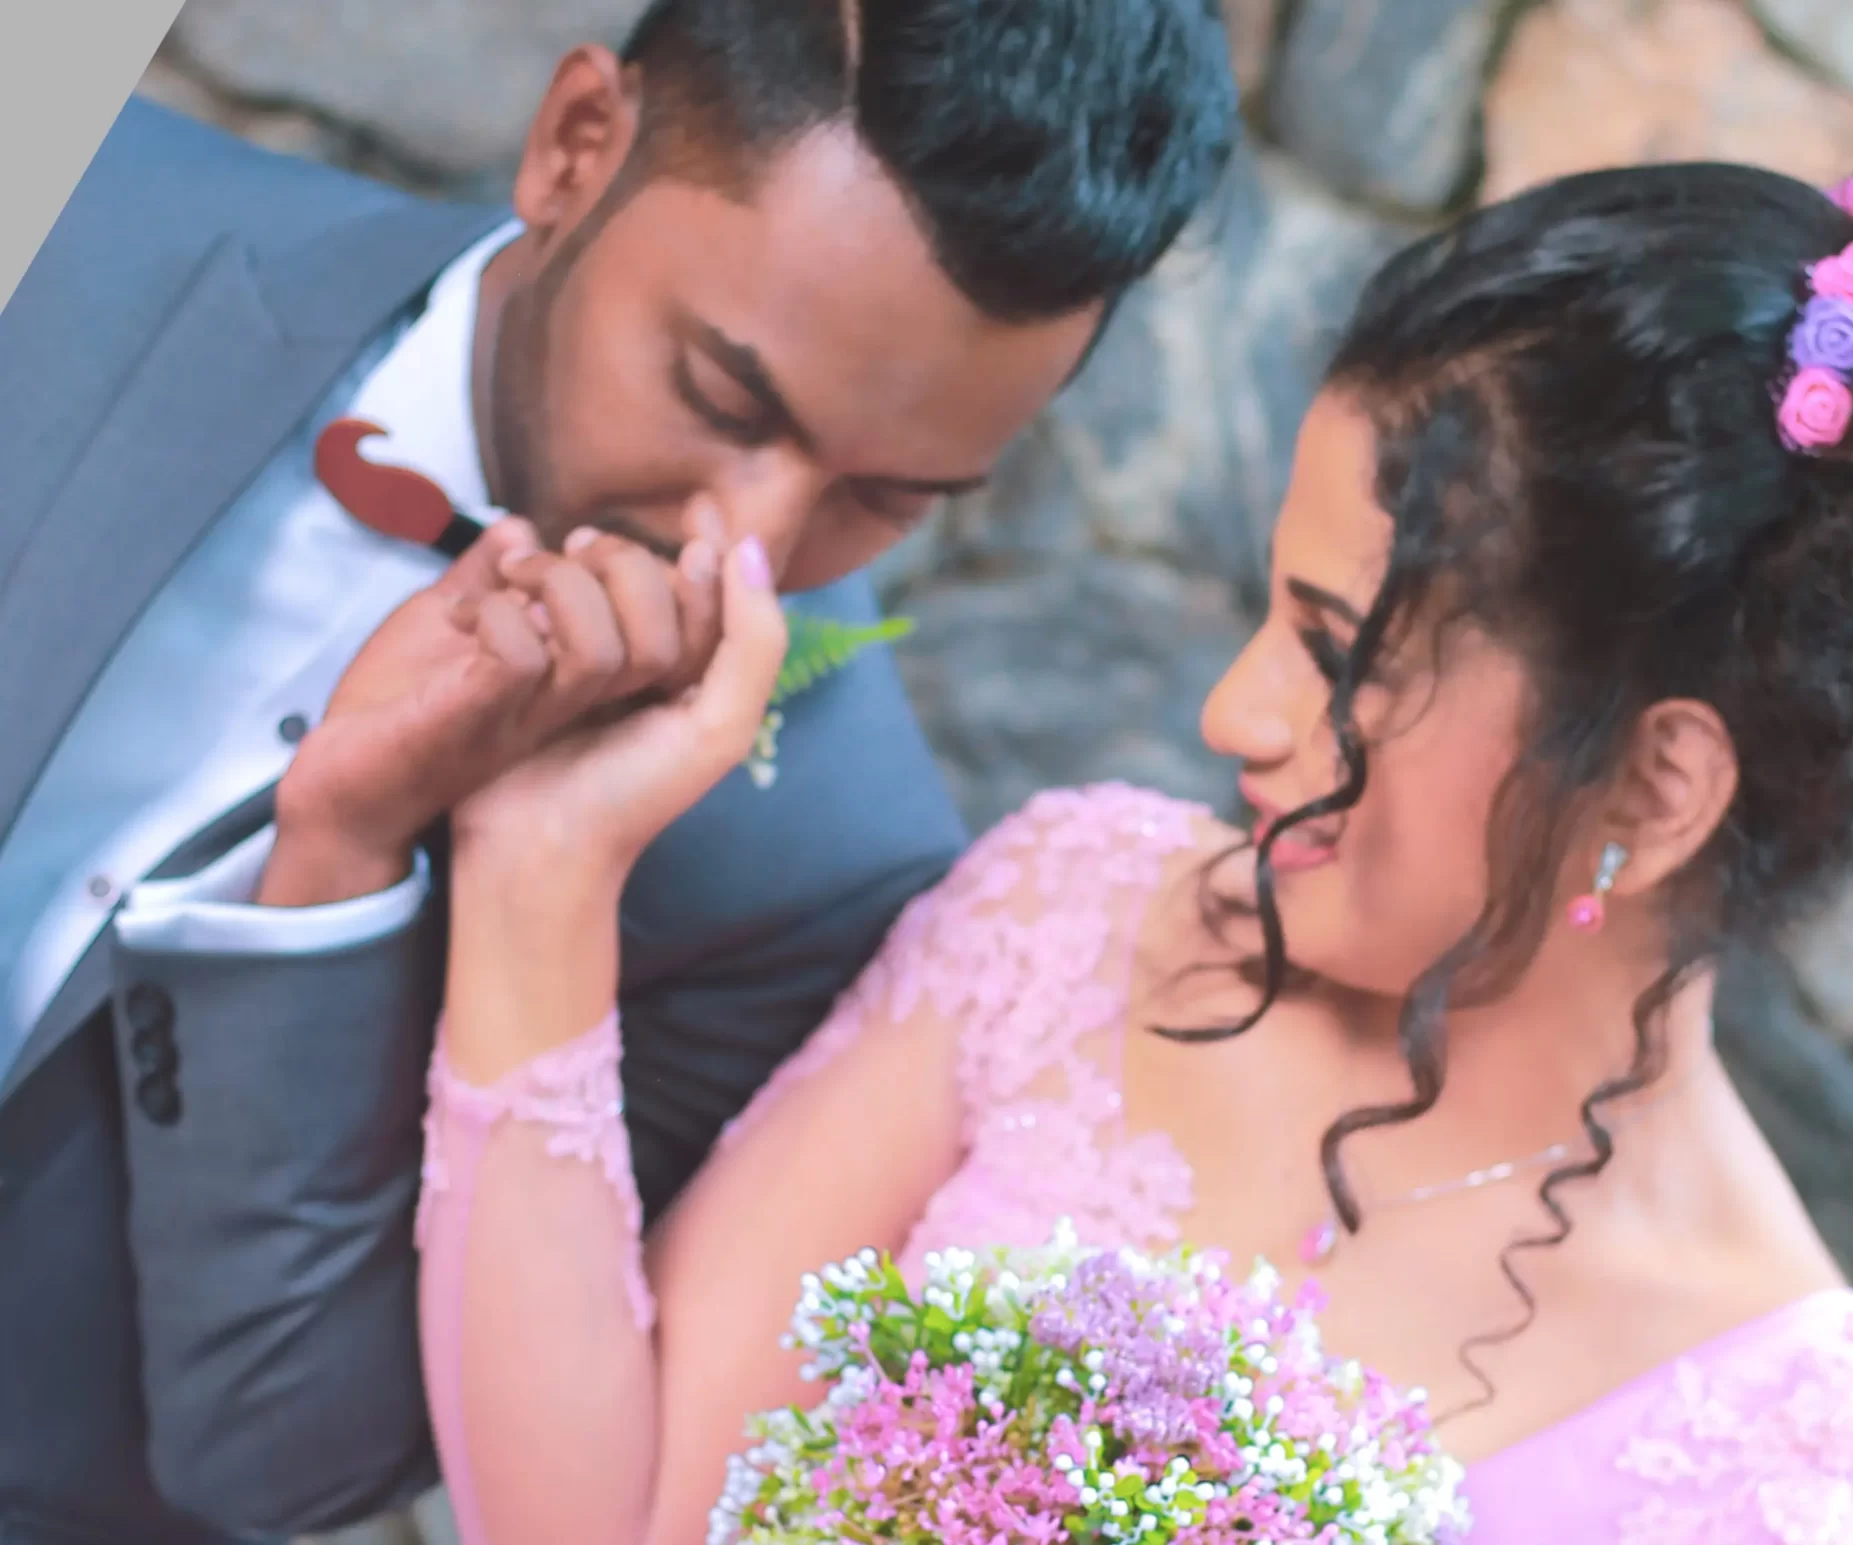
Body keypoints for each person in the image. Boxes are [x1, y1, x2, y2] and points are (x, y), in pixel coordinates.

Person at [418, 161, 1853, 1542]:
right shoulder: (1083, 915)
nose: (1233, 714)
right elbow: (605, 1517)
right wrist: (536, 872)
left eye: (1344, 656)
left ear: (1653, 793)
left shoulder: (1836, 1491)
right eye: (1274, 613)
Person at [0, 1, 1239, 1539]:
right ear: (576, 146)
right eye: (724, 399)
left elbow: (281, 1464)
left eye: (890, 498)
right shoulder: (69, 200)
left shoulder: (818, 877)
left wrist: (337, 872)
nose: (752, 558)